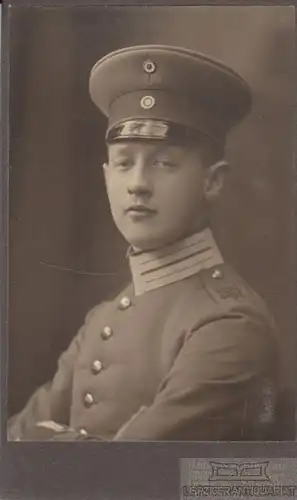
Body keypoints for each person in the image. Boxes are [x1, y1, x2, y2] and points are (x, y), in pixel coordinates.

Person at [8, 45, 279, 441]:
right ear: (105, 177)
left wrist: (51, 443)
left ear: (212, 181)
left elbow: (135, 475)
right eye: (123, 163)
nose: (137, 183)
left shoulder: (229, 324)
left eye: (163, 163)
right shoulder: (103, 318)